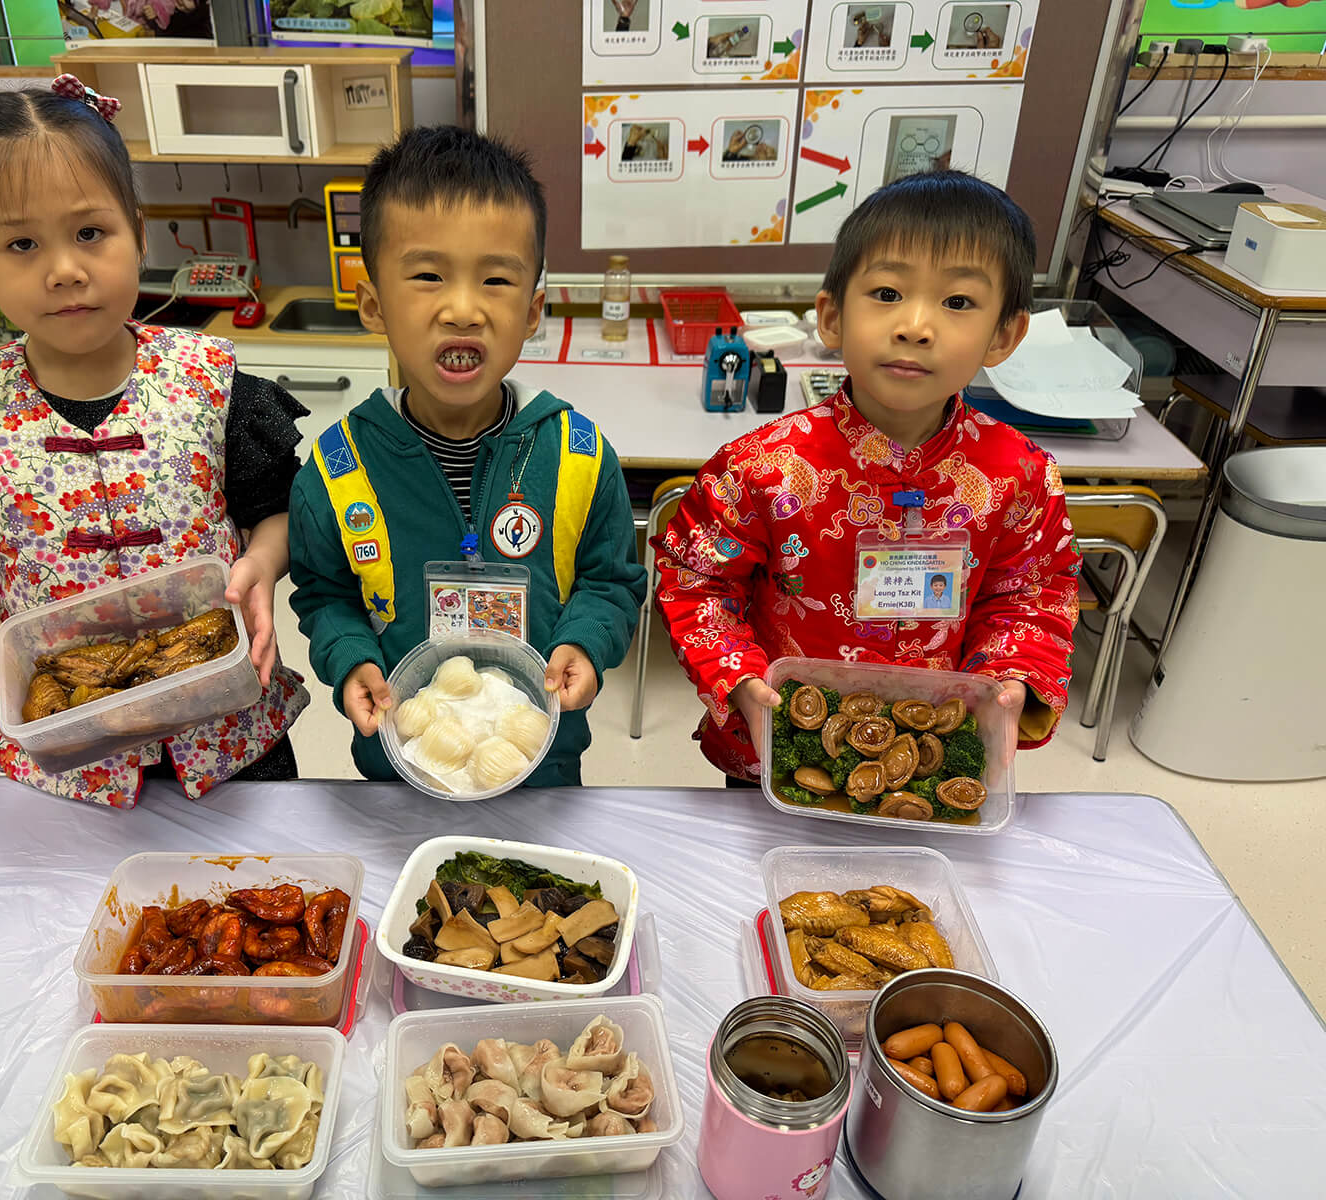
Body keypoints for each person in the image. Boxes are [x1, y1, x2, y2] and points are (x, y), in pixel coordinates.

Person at [0, 79, 310, 808]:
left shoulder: (209, 383)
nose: (65, 270)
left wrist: (263, 567)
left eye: (90, 233)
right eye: (21, 244)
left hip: (227, 721)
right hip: (71, 735)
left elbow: (273, 509)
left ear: (137, 231)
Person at [654, 170, 1080, 784]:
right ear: (831, 317)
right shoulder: (761, 467)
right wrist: (739, 679)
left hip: (933, 753)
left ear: (1004, 334)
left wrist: (1013, 683)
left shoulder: (1022, 477)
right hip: (777, 742)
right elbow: (696, 581)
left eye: (958, 302)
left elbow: (1032, 598)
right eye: (886, 293)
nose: (915, 326)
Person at [288, 125, 645, 787]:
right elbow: (325, 594)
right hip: (401, 768)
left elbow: (612, 582)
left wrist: (586, 642)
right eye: (428, 276)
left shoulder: (581, 456)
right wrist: (350, 657)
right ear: (373, 304)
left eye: (496, 279)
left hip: (541, 769)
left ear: (533, 310)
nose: (463, 310)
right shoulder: (336, 471)